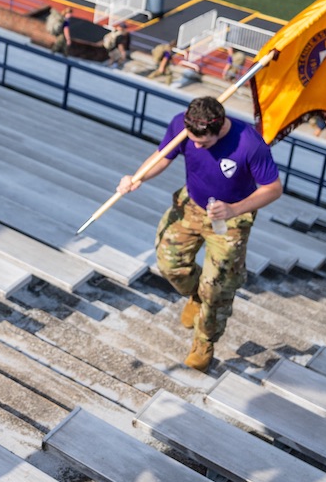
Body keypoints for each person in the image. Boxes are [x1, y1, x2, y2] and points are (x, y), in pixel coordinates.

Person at [111, 95, 282, 371]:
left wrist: (233, 209)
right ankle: (195, 294)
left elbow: (273, 188)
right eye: (192, 140)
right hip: (192, 204)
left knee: (216, 288)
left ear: (221, 127)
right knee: (169, 263)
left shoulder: (250, 144)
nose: (196, 145)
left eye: (204, 143)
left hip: (230, 218)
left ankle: (204, 342)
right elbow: (163, 156)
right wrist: (137, 177)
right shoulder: (182, 125)